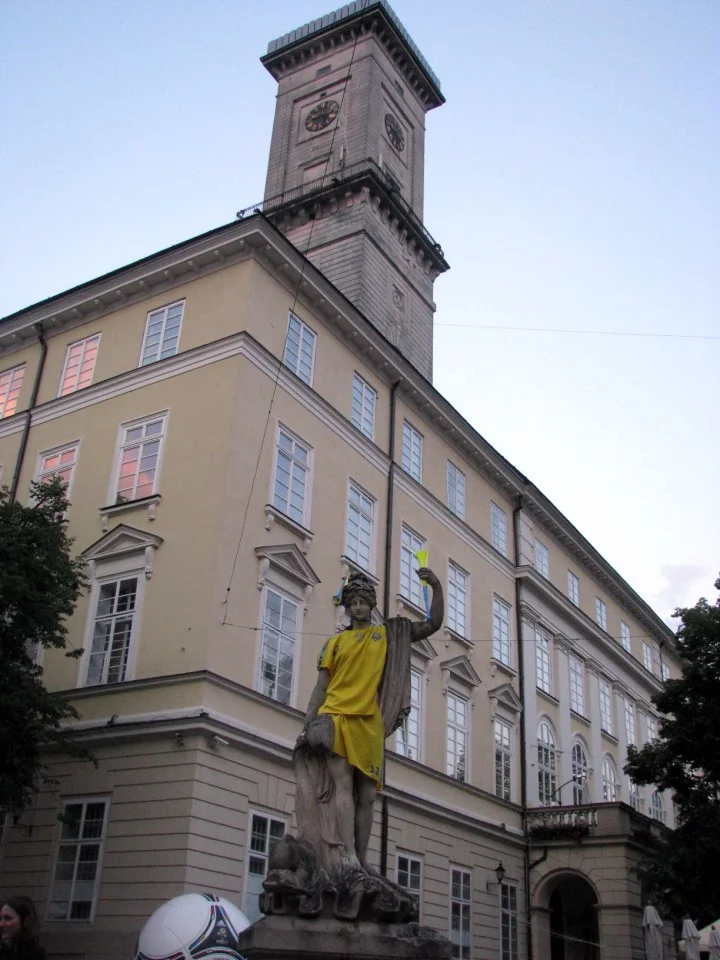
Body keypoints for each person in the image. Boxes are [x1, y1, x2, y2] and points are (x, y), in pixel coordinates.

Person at [294, 567, 443, 872]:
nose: (358, 607)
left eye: (363, 601)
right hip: (335, 717)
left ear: (372, 604)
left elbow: (432, 624)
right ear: (348, 607)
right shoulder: (334, 643)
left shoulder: (386, 635)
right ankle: (348, 855)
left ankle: (362, 858)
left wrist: (437, 588)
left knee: (368, 795)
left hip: (369, 723)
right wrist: (308, 723)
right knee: (343, 785)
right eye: (353, 602)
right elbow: (321, 687)